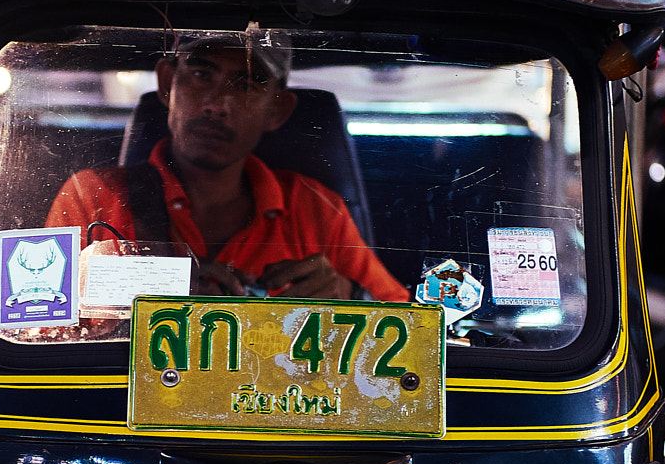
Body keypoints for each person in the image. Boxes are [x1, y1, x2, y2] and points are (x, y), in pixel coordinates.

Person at [46, 30, 409, 302]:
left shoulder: (314, 208)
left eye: (247, 84)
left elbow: (409, 323)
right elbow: (31, 312)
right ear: (168, 83)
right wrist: (158, 283)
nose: (216, 104)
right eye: (202, 74)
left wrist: (350, 296)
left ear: (277, 109)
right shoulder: (91, 196)